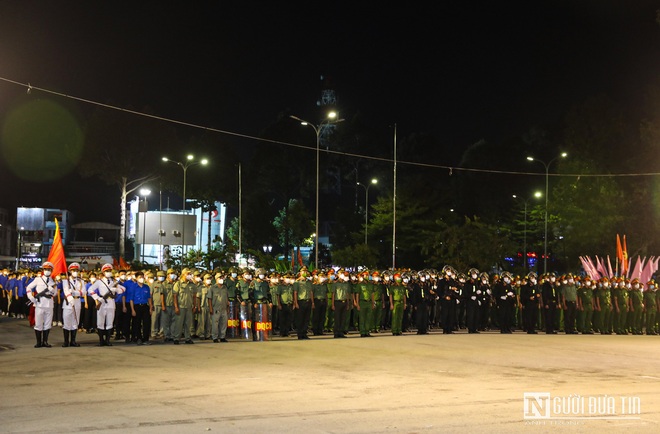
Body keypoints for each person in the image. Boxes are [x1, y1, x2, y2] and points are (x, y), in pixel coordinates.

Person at [88, 263, 125, 346]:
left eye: (109, 271)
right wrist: (97, 298)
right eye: (107, 271)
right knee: (100, 322)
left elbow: (123, 289)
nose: (108, 272)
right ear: (103, 272)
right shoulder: (99, 282)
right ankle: (101, 340)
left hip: (111, 302)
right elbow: (90, 290)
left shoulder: (114, 282)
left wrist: (115, 289)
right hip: (102, 302)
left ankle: (108, 340)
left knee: (110, 321)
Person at [26, 262, 58, 348]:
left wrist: (51, 289)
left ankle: (45, 341)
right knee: (38, 324)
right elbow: (28, 287)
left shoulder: (53, 281)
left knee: (47, 323)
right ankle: (38, 342)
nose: (47, 271)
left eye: (49, 270)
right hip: (39, 304)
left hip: (49, 304)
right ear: (43, 270)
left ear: (51, 271)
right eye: (46, 269)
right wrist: (30, 297)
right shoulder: (38, 279)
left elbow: (55, 294)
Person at [61, 262, 84, 347]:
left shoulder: (81, 281)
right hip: (68, 303)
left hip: (77, 302)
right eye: (73, 270)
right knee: (67, 322)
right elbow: (66, 291)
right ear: (70, 271)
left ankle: (73, 341)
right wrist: (71, 299)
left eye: (76, 270)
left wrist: (74, 292)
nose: (75, 272)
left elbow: (83, 292)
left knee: (75, 322)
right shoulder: (65, 281)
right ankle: (66, 341)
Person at [129, 271, 153, 345]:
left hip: (145, 306)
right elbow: (131, 299)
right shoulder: (133, 287)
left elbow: (149, 298)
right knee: (137, 323)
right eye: (140, 277)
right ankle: (138, 338)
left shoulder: (146, 287)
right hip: (137, 306)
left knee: (147, 323)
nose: (141, 279)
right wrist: (132, 310)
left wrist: (150, 307)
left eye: (142, 277)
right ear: (136, 278)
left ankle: (145, 339)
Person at [173, 268, 196, 344]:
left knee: (188, 324)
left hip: (189, 306)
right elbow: (175, 296)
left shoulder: (192, 285)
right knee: (179, 323)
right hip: (181, 306)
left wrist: (194, 306)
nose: (189, 275)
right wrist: (176, 307)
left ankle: (187, 338)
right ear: (183, 274)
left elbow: (194, 296)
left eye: (190, 274)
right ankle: (176, 338)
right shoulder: (178, 284)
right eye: (188, 274)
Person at [208, 272, 229, 343]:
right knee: (215, 324)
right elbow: (209, 299)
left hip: (223, 308)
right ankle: (215, 337)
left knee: (223, 323)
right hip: (215, 308)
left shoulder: (224, 288)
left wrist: (227, 308)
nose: (221, 279)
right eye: (220, 278)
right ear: (216, 279)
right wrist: (210, 308)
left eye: (222, 278)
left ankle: (222, 336)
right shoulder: (212, 288)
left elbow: (227, 298)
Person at [293, 267, 313, 340]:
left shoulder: (309, 282)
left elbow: (311, 292)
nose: (305, 272)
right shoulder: (297, 282)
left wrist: (312, 302)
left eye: (306, 271)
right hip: (300, 301)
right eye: (303, 271)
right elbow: (295, 293)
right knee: (300, 319)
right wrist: (296, 303)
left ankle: (304, 333)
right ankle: (300, 334)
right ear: (300, 272)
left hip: (308, 301)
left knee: (306, 318)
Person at [331, 269, 352, 338]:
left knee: (343, 318)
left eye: (343, 273)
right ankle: (336, 332)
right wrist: (333, 304)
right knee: (337, 318)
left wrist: (348, 303)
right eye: (341, 273)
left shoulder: (346, 284)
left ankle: (341, 332)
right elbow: (333, 294)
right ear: (338, 275)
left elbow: (347, 294)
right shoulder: (335, 284)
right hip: (337, 302)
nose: (342, 274)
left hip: (345, 301)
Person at [355, 271, 375, 337]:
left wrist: (373, 303)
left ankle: (367, 331)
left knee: (368, 318)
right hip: (362, 302)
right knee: (362, 318)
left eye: (368, 275)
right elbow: (357, 294)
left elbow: (372, 294)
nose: (368, 276)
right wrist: (357, 304)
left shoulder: (370, 285)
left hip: (369, 302)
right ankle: (362, 332)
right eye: (366, 275)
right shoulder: (360, 285)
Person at [159, 268, 177, 342]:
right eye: (171, 273)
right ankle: (167, 335)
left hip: (174, 305)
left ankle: (172, 335)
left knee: (173, 321)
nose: (173, 275)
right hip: (167, 304)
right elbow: (162, 295)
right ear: (168, 275)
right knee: (165, 321)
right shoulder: (164, 284)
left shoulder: (176, 283)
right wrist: (163, 305)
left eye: (174, 273)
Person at [196, 273, 212, 340]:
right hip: (203, 306)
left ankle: (208, 334)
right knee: (202, 322)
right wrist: (198, 307)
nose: (209, 280)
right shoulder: (201, 287)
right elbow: (198, 297)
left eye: (210, 278)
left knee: (209, 322)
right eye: (207, 279)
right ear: (204, 280)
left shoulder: (212, 287)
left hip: (210, 307)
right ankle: (201, 334)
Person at [277, 273, 294, 337]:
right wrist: (279, 304)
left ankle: (287, 332)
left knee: (288, 319)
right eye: (286, 278)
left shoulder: (291, 286)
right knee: (282, 319)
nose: (288, 279)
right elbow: (278, 295)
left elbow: (293, 294)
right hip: (283, 304)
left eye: (289, 278)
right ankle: (282, 332)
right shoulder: (280, 286)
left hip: (290, 304)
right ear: (283, 278)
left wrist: (294, 303)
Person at [311, 271, 328, 336]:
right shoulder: (314, 285)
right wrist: (312, 302)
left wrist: (326, 302)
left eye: (323, 277)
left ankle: (320, 330)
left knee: (322, 317)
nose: (322, 278)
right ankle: (315, 330)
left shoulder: (324, 285)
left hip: (323, 301)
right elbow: (312, 294)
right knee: (316, 316)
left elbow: (326, 294)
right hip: (316, 301)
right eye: (321, 277)